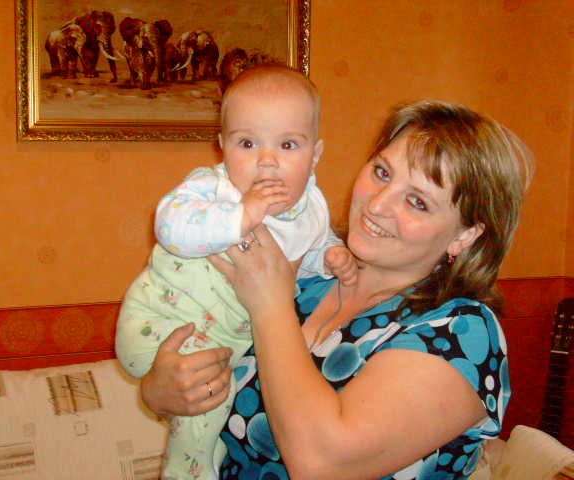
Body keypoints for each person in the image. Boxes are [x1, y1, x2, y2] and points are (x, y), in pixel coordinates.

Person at [139, 99, 534, 479]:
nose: (377, 204)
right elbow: (209, 382)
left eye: (417, 202)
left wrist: (270, 304)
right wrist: (163, 392)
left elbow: (322, 464)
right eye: (382, 173)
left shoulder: (461, 333)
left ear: (465, 235)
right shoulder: (310, 278)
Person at [115, 65, 357, 480]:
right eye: (247, 143)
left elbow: (307, 250)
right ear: (222, 147)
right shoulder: (214, 189)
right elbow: (169, 225)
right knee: (207, 399)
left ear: (315, 155)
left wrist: (331, 255)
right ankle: (184, 472)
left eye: (288, 144)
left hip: (222, 345)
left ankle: (201, 462)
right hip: (161, 321)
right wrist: (240, 216)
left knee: (214, 408)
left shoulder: (311, 209)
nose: (267, 161)